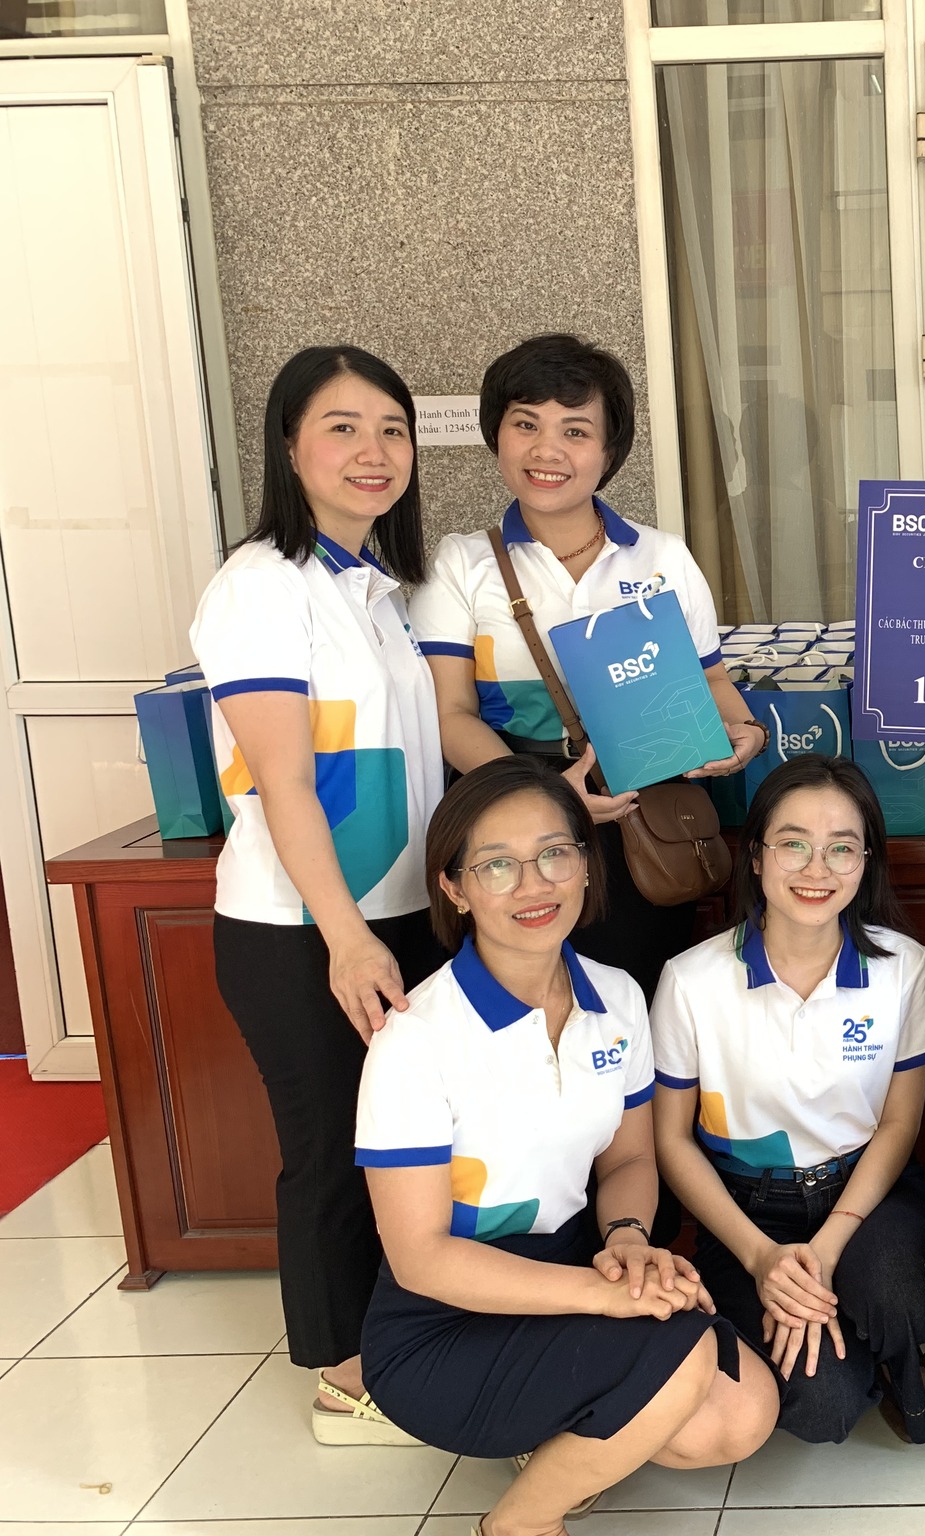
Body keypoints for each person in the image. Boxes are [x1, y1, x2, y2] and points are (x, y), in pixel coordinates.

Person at [354, 757, 778, 1533]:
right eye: (497, 865)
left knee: (741, 1412)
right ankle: (519, 1523)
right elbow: (421, 1260)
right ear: (455, 888)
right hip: (444, 1319)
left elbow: (629, 1159)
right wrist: (604, 1297)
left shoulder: (616, 997)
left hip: (575, 1262)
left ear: (585, 864)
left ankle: (550, 1428)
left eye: (555, 853)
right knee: (686, 1362)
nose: (534, 884)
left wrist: (628, 1242)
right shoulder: (415, 1038)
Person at [191, 345, 447, 1444]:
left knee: (400, 1140)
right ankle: (346, 1380)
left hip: (396, 914)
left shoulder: (376, 588)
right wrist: (344, 936)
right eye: (341, 427)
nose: (372, 451)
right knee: (334, 1150)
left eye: (391, 429)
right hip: (302, 928)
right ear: (288, 447)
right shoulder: (260, 584)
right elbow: (284, 780)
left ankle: (404, 1341)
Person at [411, 332, 766, 1002]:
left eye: (575, 431)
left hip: (642, 819)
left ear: (609, 452)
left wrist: (746, 732)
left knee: (634, 999)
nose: (547, 451)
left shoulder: (662, 557)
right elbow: (450, 714)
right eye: (526, 425)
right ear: (496, 436)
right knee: (520, 1002)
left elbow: (711, 681)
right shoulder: (462, 563)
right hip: (511, 821)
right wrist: (543, 802)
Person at [650, 755, 925, 1446]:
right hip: (749, 1211)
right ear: (756, 856)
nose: (818, 869)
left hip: (866, 1193)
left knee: (896, 1293)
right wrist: (763, 1259)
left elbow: (900, 1123)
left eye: (842, 848)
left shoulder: (904, 967)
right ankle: (847, 1336)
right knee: (822, 1409)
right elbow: (670, 1141)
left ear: (866, 861)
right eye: (794, 844)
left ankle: (899, 1354)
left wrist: (829, 1243)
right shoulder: (692, 981)